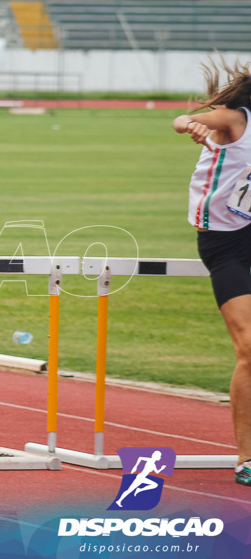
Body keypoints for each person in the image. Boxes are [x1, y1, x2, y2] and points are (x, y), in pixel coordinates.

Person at [172, 58, 251, 486]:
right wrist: (192, 125)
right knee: (249, 348)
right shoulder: (236, 120)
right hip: (227, 242)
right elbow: (181, 120)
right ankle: (247, 458)